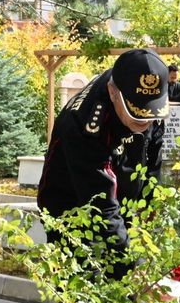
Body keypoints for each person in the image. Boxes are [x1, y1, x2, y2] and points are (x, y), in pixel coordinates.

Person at [37, 48, 170, 276]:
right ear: (112, 92)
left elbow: (152, 166)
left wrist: (152, 224)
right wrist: (132, 268)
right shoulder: (83, 126)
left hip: (119, 198)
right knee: (85, 288)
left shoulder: (147, 100)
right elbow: (102, 207)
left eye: (151, 114)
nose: (145, 122)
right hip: (71, 208)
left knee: (131, 292)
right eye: (137, 114)